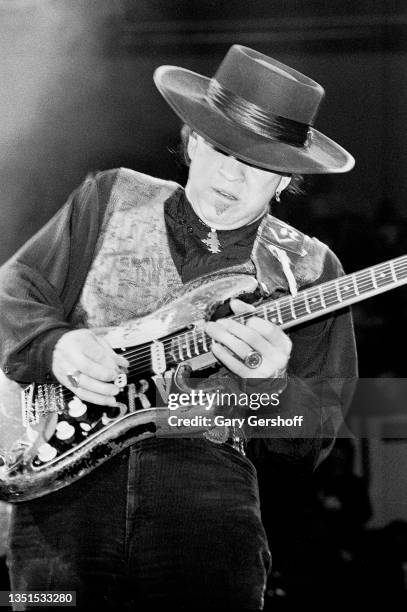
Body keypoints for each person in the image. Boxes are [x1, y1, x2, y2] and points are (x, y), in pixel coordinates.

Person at [0, 45, 357, 610]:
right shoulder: (108, 196)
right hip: (61, 494)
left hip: (206, 501)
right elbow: (12, 292)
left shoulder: (312, 270)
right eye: (218, 148)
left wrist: (270, 386)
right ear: (192, 142)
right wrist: (56, 343)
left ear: (287, 181)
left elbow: (306, 442)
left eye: (260, 164)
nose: (231, 174)